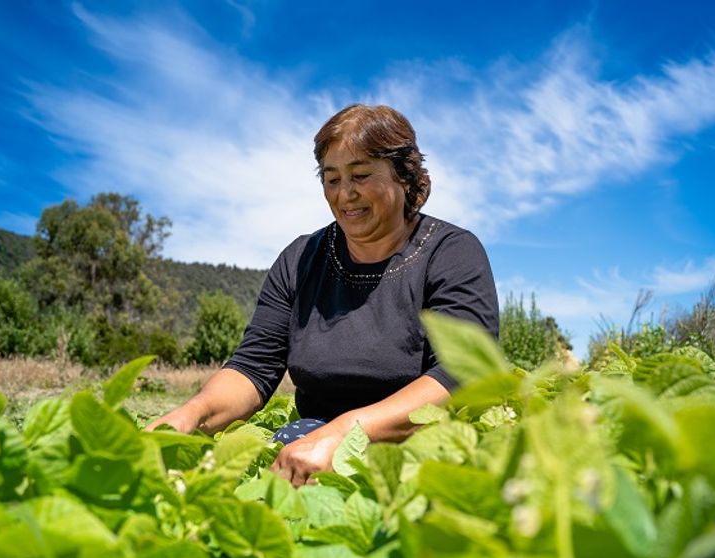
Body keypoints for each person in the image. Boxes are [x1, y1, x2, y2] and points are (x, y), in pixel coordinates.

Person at [146, 104, 499, 486]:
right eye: (331, 179)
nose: (345, 194)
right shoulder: (300, 259)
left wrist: (345, 433)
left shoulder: (451, 253)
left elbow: (462, 374)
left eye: (360, 175)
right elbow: (253, 367)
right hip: (312, 437)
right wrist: (191, 415)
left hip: (418, 445)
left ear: (404, 176)